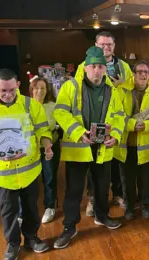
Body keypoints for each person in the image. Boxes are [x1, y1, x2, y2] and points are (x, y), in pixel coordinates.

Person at [0, 68, 52, 260]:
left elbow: (43, 130)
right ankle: (12, 243)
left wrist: (47, 145)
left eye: (11, 90)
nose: (8, 95)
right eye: (2, 91)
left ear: (18, 85)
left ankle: (31, 238)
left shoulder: (31, 106)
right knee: (8, 211)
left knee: (31, 207)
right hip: (2, 174)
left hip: (30, 170)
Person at [53, 46, 125, 249]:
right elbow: (60, 112)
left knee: (102, 186)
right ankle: (69, 227)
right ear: (85, 68)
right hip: (79, 147)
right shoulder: (71, 87)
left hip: (103, 147)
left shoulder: (112, 89)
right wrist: (78, 132)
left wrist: (116, 136)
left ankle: (102, 216)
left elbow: (120, 116)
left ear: (105, 69)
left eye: (101, 67)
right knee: (74, 190)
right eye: (93, 66)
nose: (97, 71)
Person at [79, 31, 134, 214]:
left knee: (117, 161)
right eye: (102, 44)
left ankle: (118, 194)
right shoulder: (84, 65)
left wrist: (119, 85)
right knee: (93, 164)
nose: (106, 48)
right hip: (93, 123)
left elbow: (131, 87)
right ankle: (93, 198)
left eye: (109, 44)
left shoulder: (124, 66)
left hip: (115, 121)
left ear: (114, 46)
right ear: (96, 44)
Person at [120, 60, 149, 220]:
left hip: (145, 145)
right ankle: (130, 207)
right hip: (126, 144)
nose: (142, 74)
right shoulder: (122, 91)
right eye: (139, 71)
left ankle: (145, 204)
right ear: (133, 74)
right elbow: (115, 115)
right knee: (127, 178)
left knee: (145, 178)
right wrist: (132, 125)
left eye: (145, 72)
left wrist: (146, 125)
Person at [30, 76, 62, 224]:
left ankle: (50, 206)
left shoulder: (53, 106)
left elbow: (60, 126)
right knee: (31, 181)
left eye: (43, 88)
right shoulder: (26, 106)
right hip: (31, 150)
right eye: (36, 88)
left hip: (50, 147)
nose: (39, 91)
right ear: (31, 90)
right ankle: (28, 210)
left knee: (49, 177)